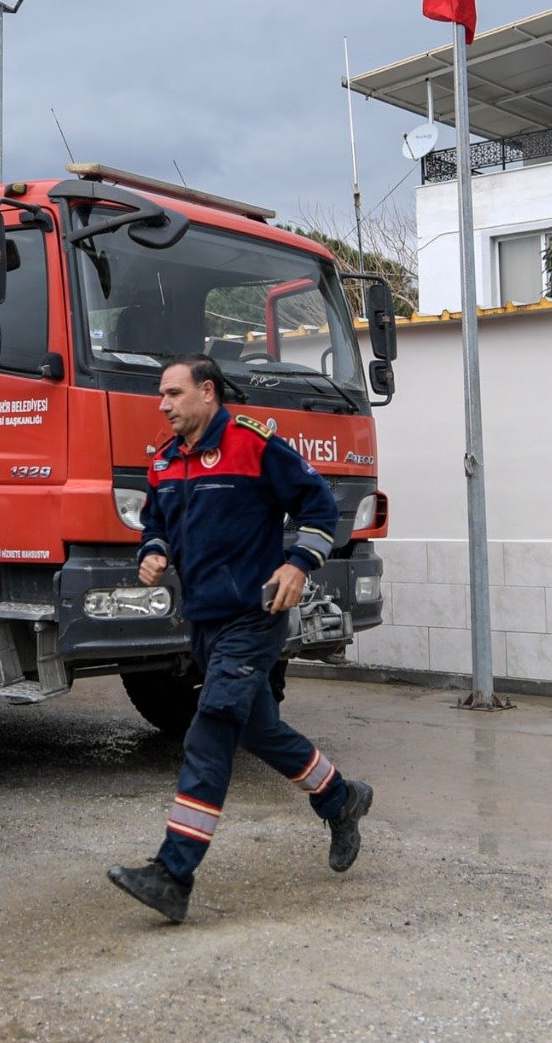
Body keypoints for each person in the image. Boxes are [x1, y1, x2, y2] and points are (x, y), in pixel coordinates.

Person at [108, 356, 372, 924]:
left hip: (254, 617)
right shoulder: (165, 460)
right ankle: (340, 797)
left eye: (174, 393)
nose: (163, 404)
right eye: (161, 394)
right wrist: (153, 552)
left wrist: (299, 563)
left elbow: (319, 504)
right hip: (204, 622)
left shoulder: (253, 444)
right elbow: (156, 524)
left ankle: (173, 874)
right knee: (257, 728)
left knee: (210, 730)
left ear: (207, 392)